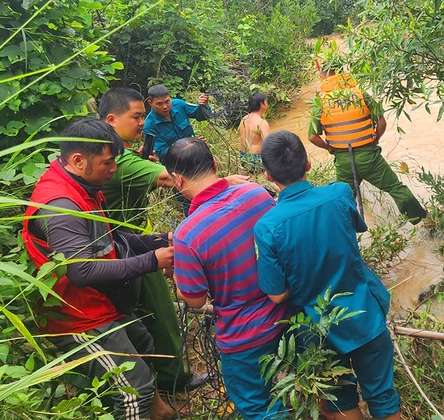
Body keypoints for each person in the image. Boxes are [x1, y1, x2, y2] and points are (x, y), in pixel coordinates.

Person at [22, 118, 177, 420]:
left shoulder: (84, 187)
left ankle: (160, 413)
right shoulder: (60, 207)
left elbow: (108, 239)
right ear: (78, 160)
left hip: (102, 300)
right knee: (134, 388)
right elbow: (81, 272)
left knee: (144, 342)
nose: (114, 169)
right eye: (107, 163)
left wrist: (159, 240)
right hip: (78, 317)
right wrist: (151, 261)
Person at [254, 131, 401, 420]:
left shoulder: (267, 226)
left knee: (339, 401)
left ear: (268, 176)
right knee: (382, 396)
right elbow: (354, 231)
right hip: (364, 313)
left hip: (317, 329)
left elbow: (275, 294)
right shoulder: (339, 193)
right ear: (308, 163)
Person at [165, 138, 291, 420]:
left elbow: (196, 299)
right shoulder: (257, 193)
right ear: (215, 164)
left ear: (176, 179)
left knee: (258, 406)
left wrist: (176, 275)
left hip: (244, 335)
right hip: (289, 312)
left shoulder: (188, 234)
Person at [98, 87, 207, 393]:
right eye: (135, 116)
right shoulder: (118, 159)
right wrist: (221, 186)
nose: (140, 122)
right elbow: (171, 179)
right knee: (161, 312)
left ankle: (150, 375)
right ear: (111, 120)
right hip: (128, 245)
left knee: (136, 317)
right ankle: (175, 379)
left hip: (120, 243)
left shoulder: (109, 152)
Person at [308, 67, 426, 223]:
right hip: (370, 158)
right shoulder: (361, 94)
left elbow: (313, 137)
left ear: (324, 76)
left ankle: (346, 236)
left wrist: (329, 148)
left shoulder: (320, 103)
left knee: (344, 200)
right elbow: (381, 122)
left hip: (344, 162)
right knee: (395, 188)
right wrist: (375, 139)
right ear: (342, 74)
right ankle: (426, 221)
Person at [144, 84, 210, 162]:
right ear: (150, 103)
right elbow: (162, 153)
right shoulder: (149, 126)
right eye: (159, 104)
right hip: (175, 164)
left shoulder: (179, 105)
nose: (165, 106)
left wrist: (203, 105)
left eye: (167, 101)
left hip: (196, 155)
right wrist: (191, 146)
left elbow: (201, 115)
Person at [238, 92, 269, 173]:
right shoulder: (262, 122)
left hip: (242, 158)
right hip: (256, 160)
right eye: (266, 101)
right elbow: (269, 146)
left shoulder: (244, 119)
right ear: (262, 104)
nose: (267, 103)